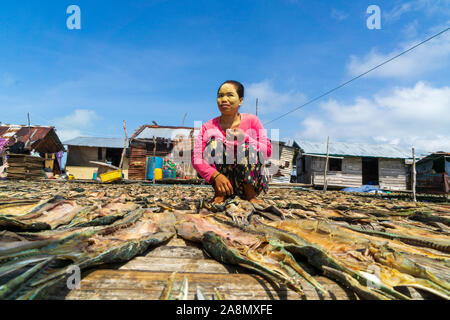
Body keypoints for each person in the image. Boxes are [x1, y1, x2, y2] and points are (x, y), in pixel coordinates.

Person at [192, 80, 272, 204]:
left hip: (251, 181)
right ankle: (220, 194)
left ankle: (250, 194)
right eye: (220, 96)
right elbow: (196, 159)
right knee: (214, 144)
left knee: (247, 147)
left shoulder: (252, 120)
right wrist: (216, 176)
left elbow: (267, 151)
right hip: (222, 184)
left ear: (240, 100)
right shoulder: (208, 127)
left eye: (230, 95)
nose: (224, 99)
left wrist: (245, 138)